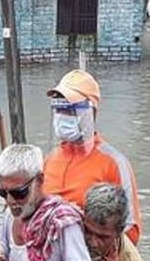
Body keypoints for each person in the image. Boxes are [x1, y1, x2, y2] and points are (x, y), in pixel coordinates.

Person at [43, 69, 144, 244]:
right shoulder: (50, 160)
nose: (63, 116)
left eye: (71, 110)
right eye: (59, 109)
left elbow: (131, 229)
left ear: (91, 113)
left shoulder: (113, 163)